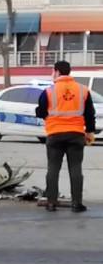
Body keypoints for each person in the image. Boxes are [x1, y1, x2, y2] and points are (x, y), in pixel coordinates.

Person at [35, 61, 96, 213]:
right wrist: (90, 131)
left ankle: (51, 203)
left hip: (55, 134)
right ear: (69, 72)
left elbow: (41, 111)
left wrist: (42, 112)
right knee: (75, 168)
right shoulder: (83, 90)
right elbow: (89, 113)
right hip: (76, 134)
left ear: (56, 72)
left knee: (53, 168)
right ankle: (76, 203)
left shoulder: (49, 91)